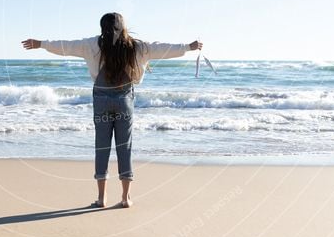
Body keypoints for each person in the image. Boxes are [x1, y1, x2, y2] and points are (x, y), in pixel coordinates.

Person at [22, 12, 201, 208]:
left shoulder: (91, 44)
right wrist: (188, 47)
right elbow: (163, 49)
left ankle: (101, 198)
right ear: (122, 26)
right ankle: (125, 198)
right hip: (124, 99)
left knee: (102, 147)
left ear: (102, 27)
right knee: (124, 147)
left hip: (101, 99)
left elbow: (65, 46)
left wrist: (41, 44)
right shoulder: (136, 46)